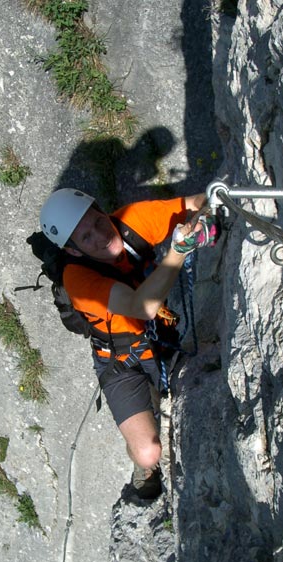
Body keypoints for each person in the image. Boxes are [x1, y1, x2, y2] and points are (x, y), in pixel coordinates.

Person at [40, 189, 219, 498]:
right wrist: (180, 249)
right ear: (74, 251)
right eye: (85, 237)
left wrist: (201, 221)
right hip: (123, 363)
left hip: (161, 337)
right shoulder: (77, 280)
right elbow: (142, 306)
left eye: (97, 221)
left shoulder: (129, 221)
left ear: (102, 210)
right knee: (149, 451)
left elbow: (201, 200)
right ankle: (142, 466)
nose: (100, 234)